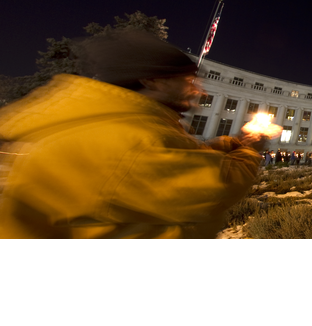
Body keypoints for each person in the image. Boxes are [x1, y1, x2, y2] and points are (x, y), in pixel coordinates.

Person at [0, 30, 268, 239]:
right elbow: (215, 188)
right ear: (153, 80)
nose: (201, 91)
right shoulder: (131, 140)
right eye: (188, 81)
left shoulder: (110, 120)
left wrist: (232, 143)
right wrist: (250, 149)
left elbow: (173, 160)